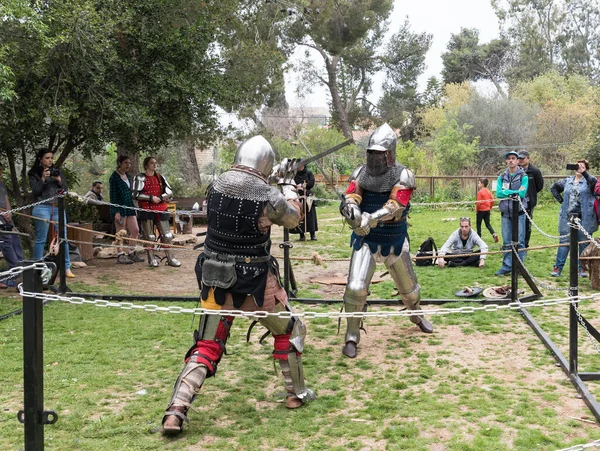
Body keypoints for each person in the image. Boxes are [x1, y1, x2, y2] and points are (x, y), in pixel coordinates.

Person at [161, 136, 314, 435]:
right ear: (266, 164)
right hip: (255, 285)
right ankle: (295, 394)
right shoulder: (267, 196)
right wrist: (285, 185)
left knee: (206, 344)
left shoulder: (217, 185)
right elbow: (294, 219)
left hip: (215, 280)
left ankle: (176, 411)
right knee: (290, 330)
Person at [340, 123, 433, 359]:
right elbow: (352, 195)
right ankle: (352, 335)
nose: (375, 158)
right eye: (372, 153)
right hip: (366, 240)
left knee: (409, 290)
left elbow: (397, 205)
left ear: (390, 153)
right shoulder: (361, 172)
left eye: (380, 154)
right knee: (355, 287)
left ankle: (416, 314)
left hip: (393, 238)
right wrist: (352, 212)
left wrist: (371, 217)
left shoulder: (403, 174)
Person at [27, 148, 74, 278]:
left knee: (63, 237)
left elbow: (65, 189)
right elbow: (36, 191)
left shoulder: (57, 171)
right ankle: (38, 267)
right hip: (42, 207)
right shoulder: (34, 173)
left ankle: (66, 267)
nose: (50, 160)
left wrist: (59, 180)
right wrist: (42, 178)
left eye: (51, 158)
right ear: (40, 159)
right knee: (41, 238)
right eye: (47, 158)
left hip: (58, 207)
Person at [550, 159, 597, 277]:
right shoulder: (567, 181)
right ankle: (557, 268)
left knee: (583, 243)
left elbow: (594, 184)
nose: (579, 168)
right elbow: (553, 188)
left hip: (584, 217)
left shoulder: (590, 181)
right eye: (577, 166)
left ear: (586, 168)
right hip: (567, 217)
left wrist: (584, 173)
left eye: (582, 166)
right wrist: (561, 201)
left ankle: (582, 268)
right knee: (564, 242)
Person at [133, 156, 181, 267]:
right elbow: (135, 194)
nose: (154, 165)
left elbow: (169, 191)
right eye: (152, 163)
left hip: (161, 208)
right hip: (146, 209)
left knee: (167, 235)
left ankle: (170, 258)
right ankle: (151, 259)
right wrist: (151, 198)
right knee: (149, 236)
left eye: (155, 163)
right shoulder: (140, 177)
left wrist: (161, 197)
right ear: (146, 165)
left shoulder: (160, 177)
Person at [495, 150, 528, 276]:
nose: (511, 160)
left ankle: (520, 266)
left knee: (520, 241)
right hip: (506, 214)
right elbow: (498, 193)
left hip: (519, 213)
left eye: (513, 158)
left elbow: (522, 193)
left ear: (517, 161)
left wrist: (507, 192)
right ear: (506, 161)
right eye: (509, 158)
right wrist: (513, 192)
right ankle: (507, 266)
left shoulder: (523, 176)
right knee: (506, 241)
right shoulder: (501, 177)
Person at [109, 155, 143, 264]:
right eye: (126, 163)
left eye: (129, 163)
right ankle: (120, 254)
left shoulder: (128, 176)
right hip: (119, 206)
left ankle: (131, 252)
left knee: (135, 230)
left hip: (129, 205)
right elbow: (113, 195)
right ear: (120, 163)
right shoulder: (114, 177)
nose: (128, 165)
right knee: (121, 232)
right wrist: (117, 211)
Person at [0, 163, 23, 287]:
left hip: (6, 215)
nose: (0, 173)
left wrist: (9, 213)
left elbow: (6, 199)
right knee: (6, 240)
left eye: (1, 170)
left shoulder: (2, 184)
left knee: (15, 237)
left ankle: (22, 266)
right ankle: (15, 271)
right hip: (0, 216)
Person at [518, 150, 544, 248]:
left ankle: (525, 244)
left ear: (528, 159)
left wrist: (530, 194)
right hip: (516, 200)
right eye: (519, 158)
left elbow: (539, 186)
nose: (520, 160)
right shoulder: (516, 170)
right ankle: (514, 244)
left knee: (526, 223)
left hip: (528, 202)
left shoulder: (535, 171)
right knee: (515, 223)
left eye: (522, 158)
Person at [291, 164, 318, 241]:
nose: (300, 167)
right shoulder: (294, 174)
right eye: (299, 166)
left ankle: (312, 235)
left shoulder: (309, 173)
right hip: (298, 196)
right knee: (300, 215)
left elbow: (311, 182)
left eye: (301, 166)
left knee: (310, 216)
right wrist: (296, 187)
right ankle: (301, 235)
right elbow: (291, 183)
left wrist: (304, 185)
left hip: (308, 196)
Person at [476, 179, 498, 243]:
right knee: (487, 224)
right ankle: (494, 234)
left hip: (481, 210)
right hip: (487, 210)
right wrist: (490, 207)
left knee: (478, 224)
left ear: (482, 184)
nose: (478, 184)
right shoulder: (488, 191)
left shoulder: (480, 192)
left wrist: (477, 210)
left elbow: (478, 203)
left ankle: (478, 238)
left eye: (479, 183)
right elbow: (492, 200)